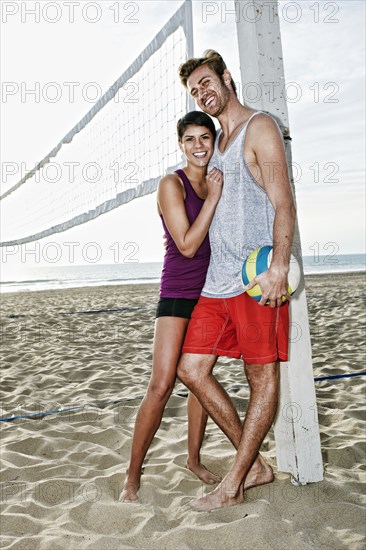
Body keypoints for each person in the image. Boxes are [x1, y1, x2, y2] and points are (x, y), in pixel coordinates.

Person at [176, 50, 297, 511]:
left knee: (260, 376)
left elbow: (283, 201)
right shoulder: (216, 142)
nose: (203, 93)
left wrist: (280, 266)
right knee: (192, 370)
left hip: (255, 277)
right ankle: (257, 466)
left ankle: (233, 484)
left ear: (227, 77)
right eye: (194, 91)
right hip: (215, 281)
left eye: (207, 82)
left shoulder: (259, 127)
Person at [120, 111, 226, 502]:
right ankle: (132, 477)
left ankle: (193, 460)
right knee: (162, 383)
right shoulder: (171, 183)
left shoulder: (219, 180)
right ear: (180, 144)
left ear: (213, 142)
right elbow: (186, 245)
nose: (199, 146)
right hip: (179, 292)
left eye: (205, 138)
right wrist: (213, 198)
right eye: (190, 139)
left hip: (213, 292)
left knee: (198, 380)